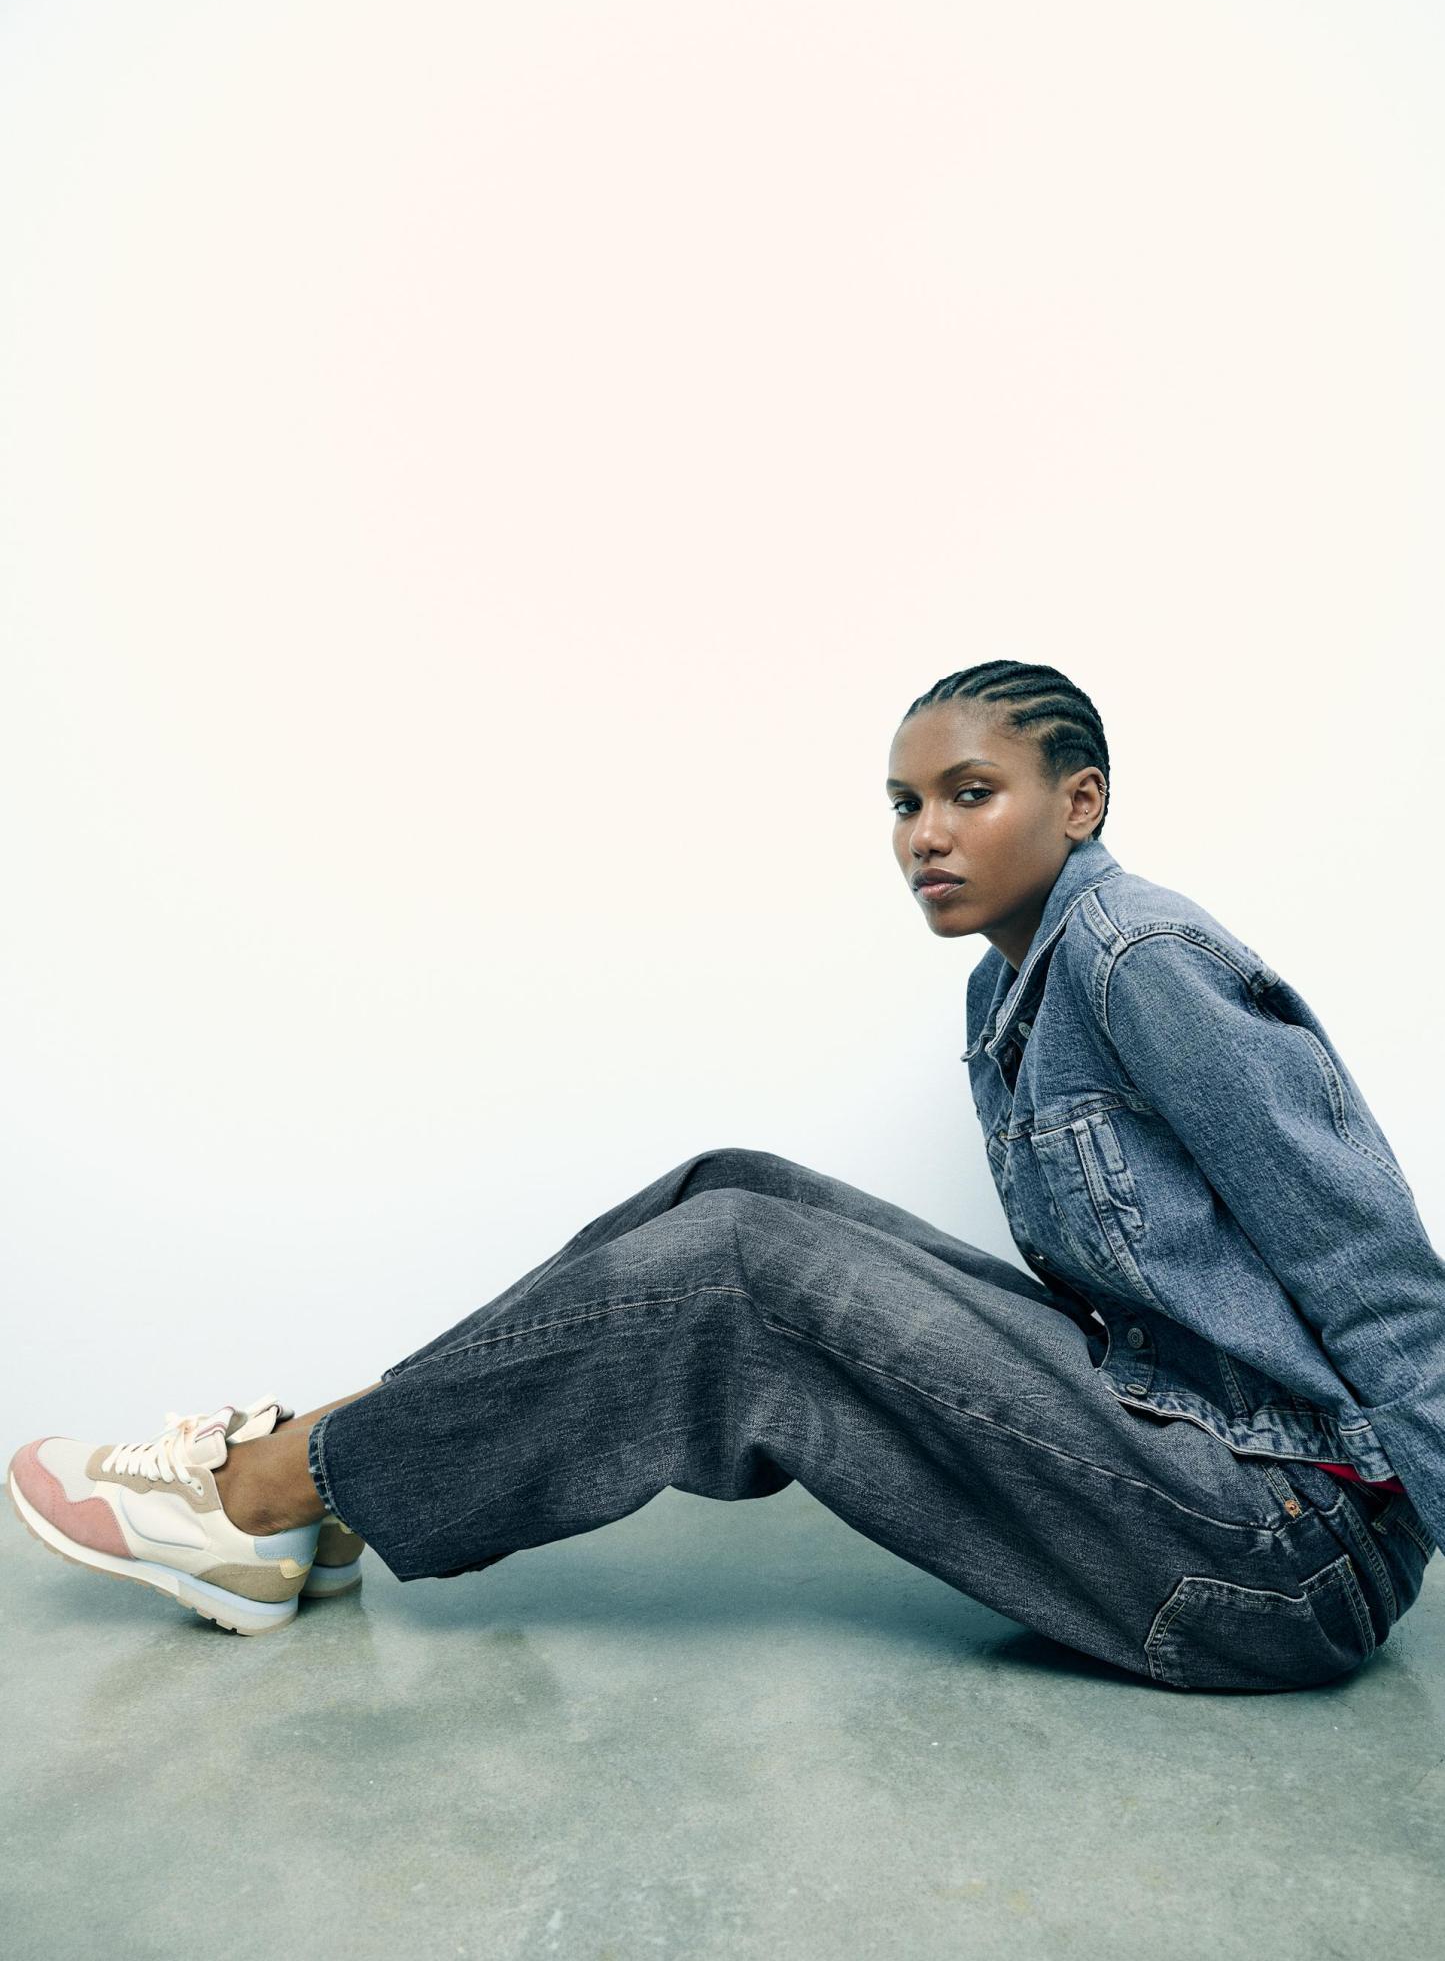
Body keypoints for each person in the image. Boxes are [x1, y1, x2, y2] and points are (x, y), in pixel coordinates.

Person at [9, 659, 1443, 1691]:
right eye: (904, 802)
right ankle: (325, 1482)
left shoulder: (1141, 959)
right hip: (1181, 1443)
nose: (926, 835)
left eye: (970, 793)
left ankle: (258, 1498)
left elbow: (1372, 1270)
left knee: (742, 1275)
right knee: (727, 1187)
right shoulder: (1009, 989)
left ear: (1080, 802)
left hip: (1282, 1557)